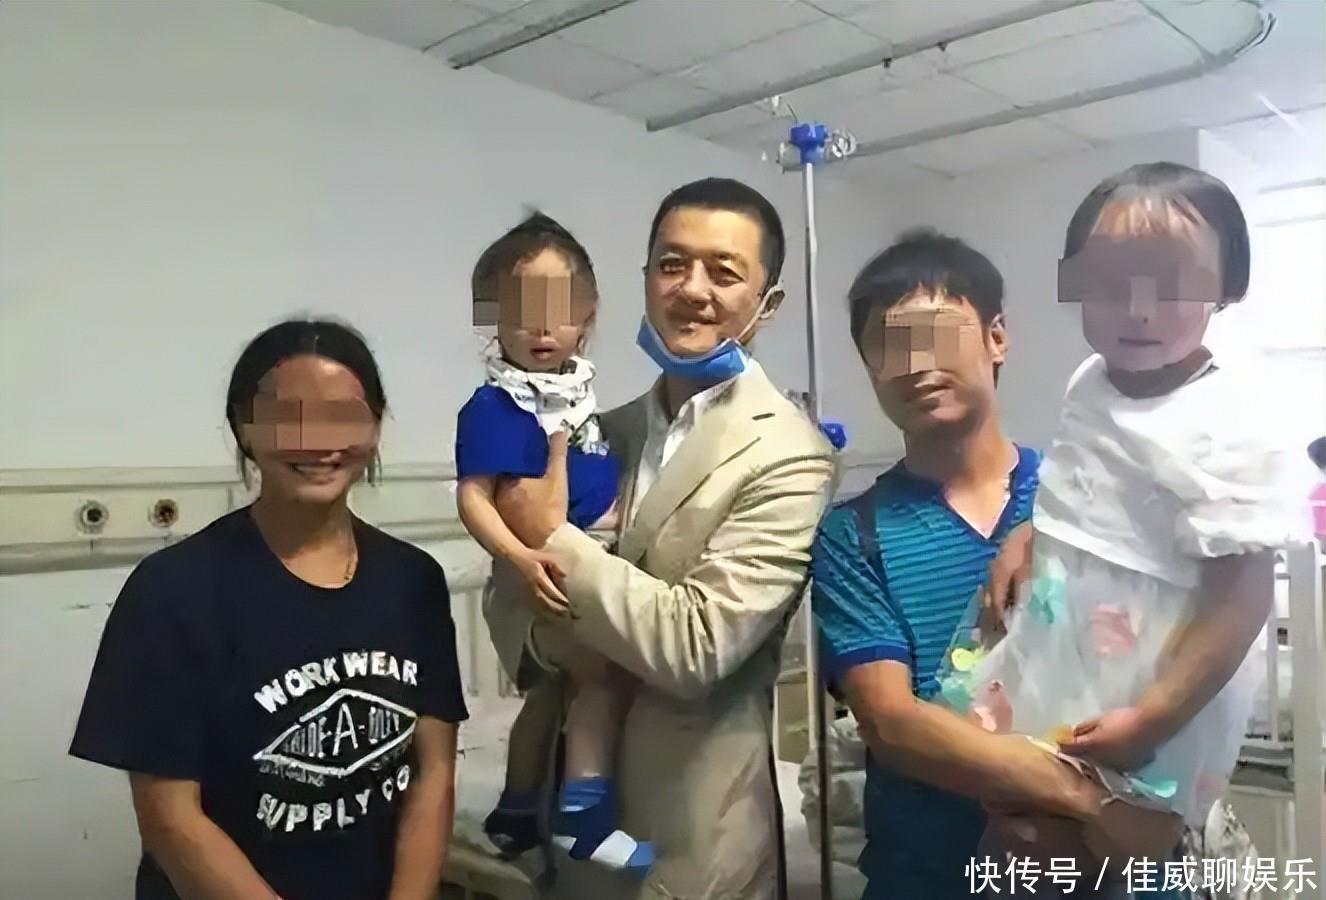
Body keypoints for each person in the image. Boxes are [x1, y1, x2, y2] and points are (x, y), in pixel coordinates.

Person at [492, 177, 836, 900]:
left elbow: (696, 648)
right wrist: (558, 644)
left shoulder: (790, 454)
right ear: (646, 277)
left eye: (724, 272)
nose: (692, 290)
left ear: (769, 302)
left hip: (694, 842)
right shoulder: (597, 432)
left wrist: (550, 535)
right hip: (572, 836)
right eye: (673, 265)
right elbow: (505, 604)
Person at [952, 163, 1284, 887]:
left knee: (1120, 842)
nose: (1137, 309)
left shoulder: (1232, 415)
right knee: (1024, 824)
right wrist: (1030, 536)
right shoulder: (1090, 379)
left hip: (1158, 679)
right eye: (1107, 282)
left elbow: (1243, 596)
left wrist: (1156, 717)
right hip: (1065, 644)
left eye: (1170, 283)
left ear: (1228, 286)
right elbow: (1086, 486)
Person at [69, 319, 468, 900]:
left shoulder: (414, 583)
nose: (318, 440)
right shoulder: (173, 592)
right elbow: (171, 820)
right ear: (244, 427)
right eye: (287, 415)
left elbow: (432, 774)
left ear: (376, 425)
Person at [810, 230, 1111, 900]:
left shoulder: (1086, 495)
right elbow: (894, 725)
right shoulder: (853, 534)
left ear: (996, 339)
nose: (918, 365)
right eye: (891, 347)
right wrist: (1090, 801)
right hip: (931, 876)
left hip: (1105, 876)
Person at [454, 212, 650, 872]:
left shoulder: (577, 399)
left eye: (558, 311)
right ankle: (583, 820)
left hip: (583, 562)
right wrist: (516, 557)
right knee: (603, 676)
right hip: (532, 579)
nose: (540, 329)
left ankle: (516, 810)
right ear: (491, 320)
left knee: (549, 695)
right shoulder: (498, 405)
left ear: (587, 316)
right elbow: (474, 498)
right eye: (520, 312)